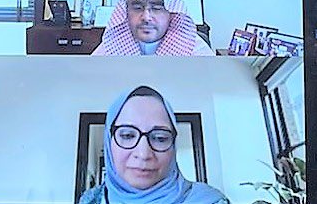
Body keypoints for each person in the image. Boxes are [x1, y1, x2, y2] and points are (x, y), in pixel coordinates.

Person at [79, 86, 229, 204]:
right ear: (108, 141)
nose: (143, 154)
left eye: (160, 138)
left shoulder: (211, 201)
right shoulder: (91, 200)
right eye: (127, 136)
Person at [92, 0, 214, 56]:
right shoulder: (110, 48)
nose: (146, 17)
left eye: (156, 8)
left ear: (171, 14)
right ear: (126, 12)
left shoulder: (195, 51)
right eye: (137, 8)